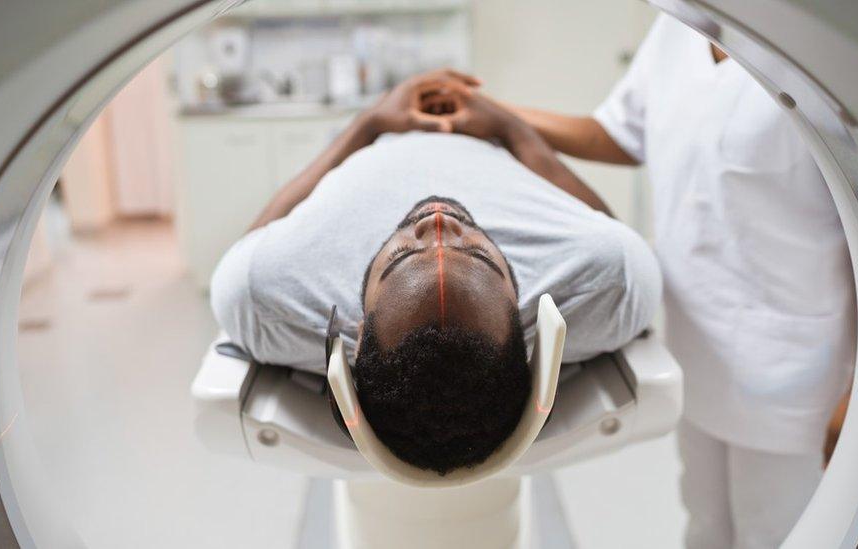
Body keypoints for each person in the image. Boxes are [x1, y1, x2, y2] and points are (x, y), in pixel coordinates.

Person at [502, 14, 855, 549]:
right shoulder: (681, 29)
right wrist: (498, 118)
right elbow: (617, 132)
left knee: (776, 533)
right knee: (705, 524)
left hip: (797, 376)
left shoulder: (825, 55)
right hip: (697, 353)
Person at [210, 70, 661, 475]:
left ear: (359, 332)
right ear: (520, 322)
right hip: (484, 137)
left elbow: (250, 248)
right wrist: (509, 128)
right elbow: (613, 233)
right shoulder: (606, 281)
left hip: (386, 134)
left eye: (402, 258)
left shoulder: (268, 294)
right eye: (483, 258)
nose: (440, 223)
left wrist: (367, 125)